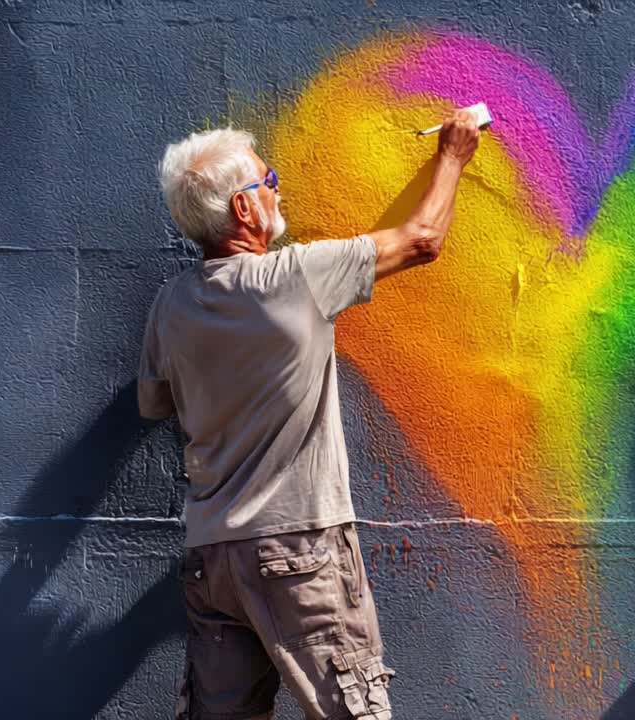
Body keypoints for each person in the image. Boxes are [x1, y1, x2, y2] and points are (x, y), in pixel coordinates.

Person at [139, 109, 481, 719]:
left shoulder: (169, 305)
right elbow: (423, 239)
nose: (277, 188)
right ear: (244, 210)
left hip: (212, 558)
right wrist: (452, 155)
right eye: (267, 179)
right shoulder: (297, 276)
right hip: (300, 551)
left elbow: (154, 404)